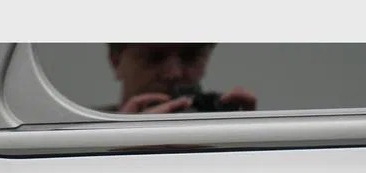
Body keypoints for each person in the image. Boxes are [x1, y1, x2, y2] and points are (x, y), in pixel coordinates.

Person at [105, 43, 256, 114]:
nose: (174, 73)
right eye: (154, 57)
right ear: (116, 61)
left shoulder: (220, 123)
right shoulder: (91, 133)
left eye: (190, 56)